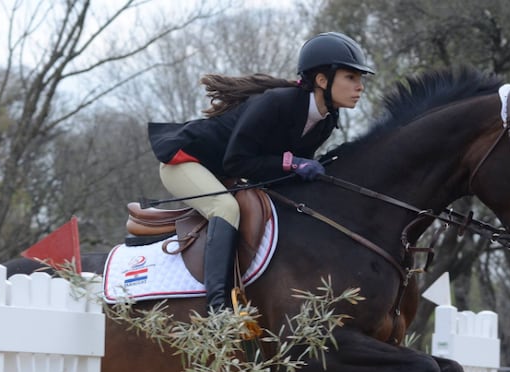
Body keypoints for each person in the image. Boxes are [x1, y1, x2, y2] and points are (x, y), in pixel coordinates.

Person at [147, 32, 375, 314]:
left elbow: (275, 174)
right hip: (186, 162)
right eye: (351, 77)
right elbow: (236, 162)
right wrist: (291, 163)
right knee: (225, 207)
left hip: (225, 170)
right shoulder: (277, 103)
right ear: (322, 80)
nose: (360, 86)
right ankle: (217, 308)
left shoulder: (327, 121)